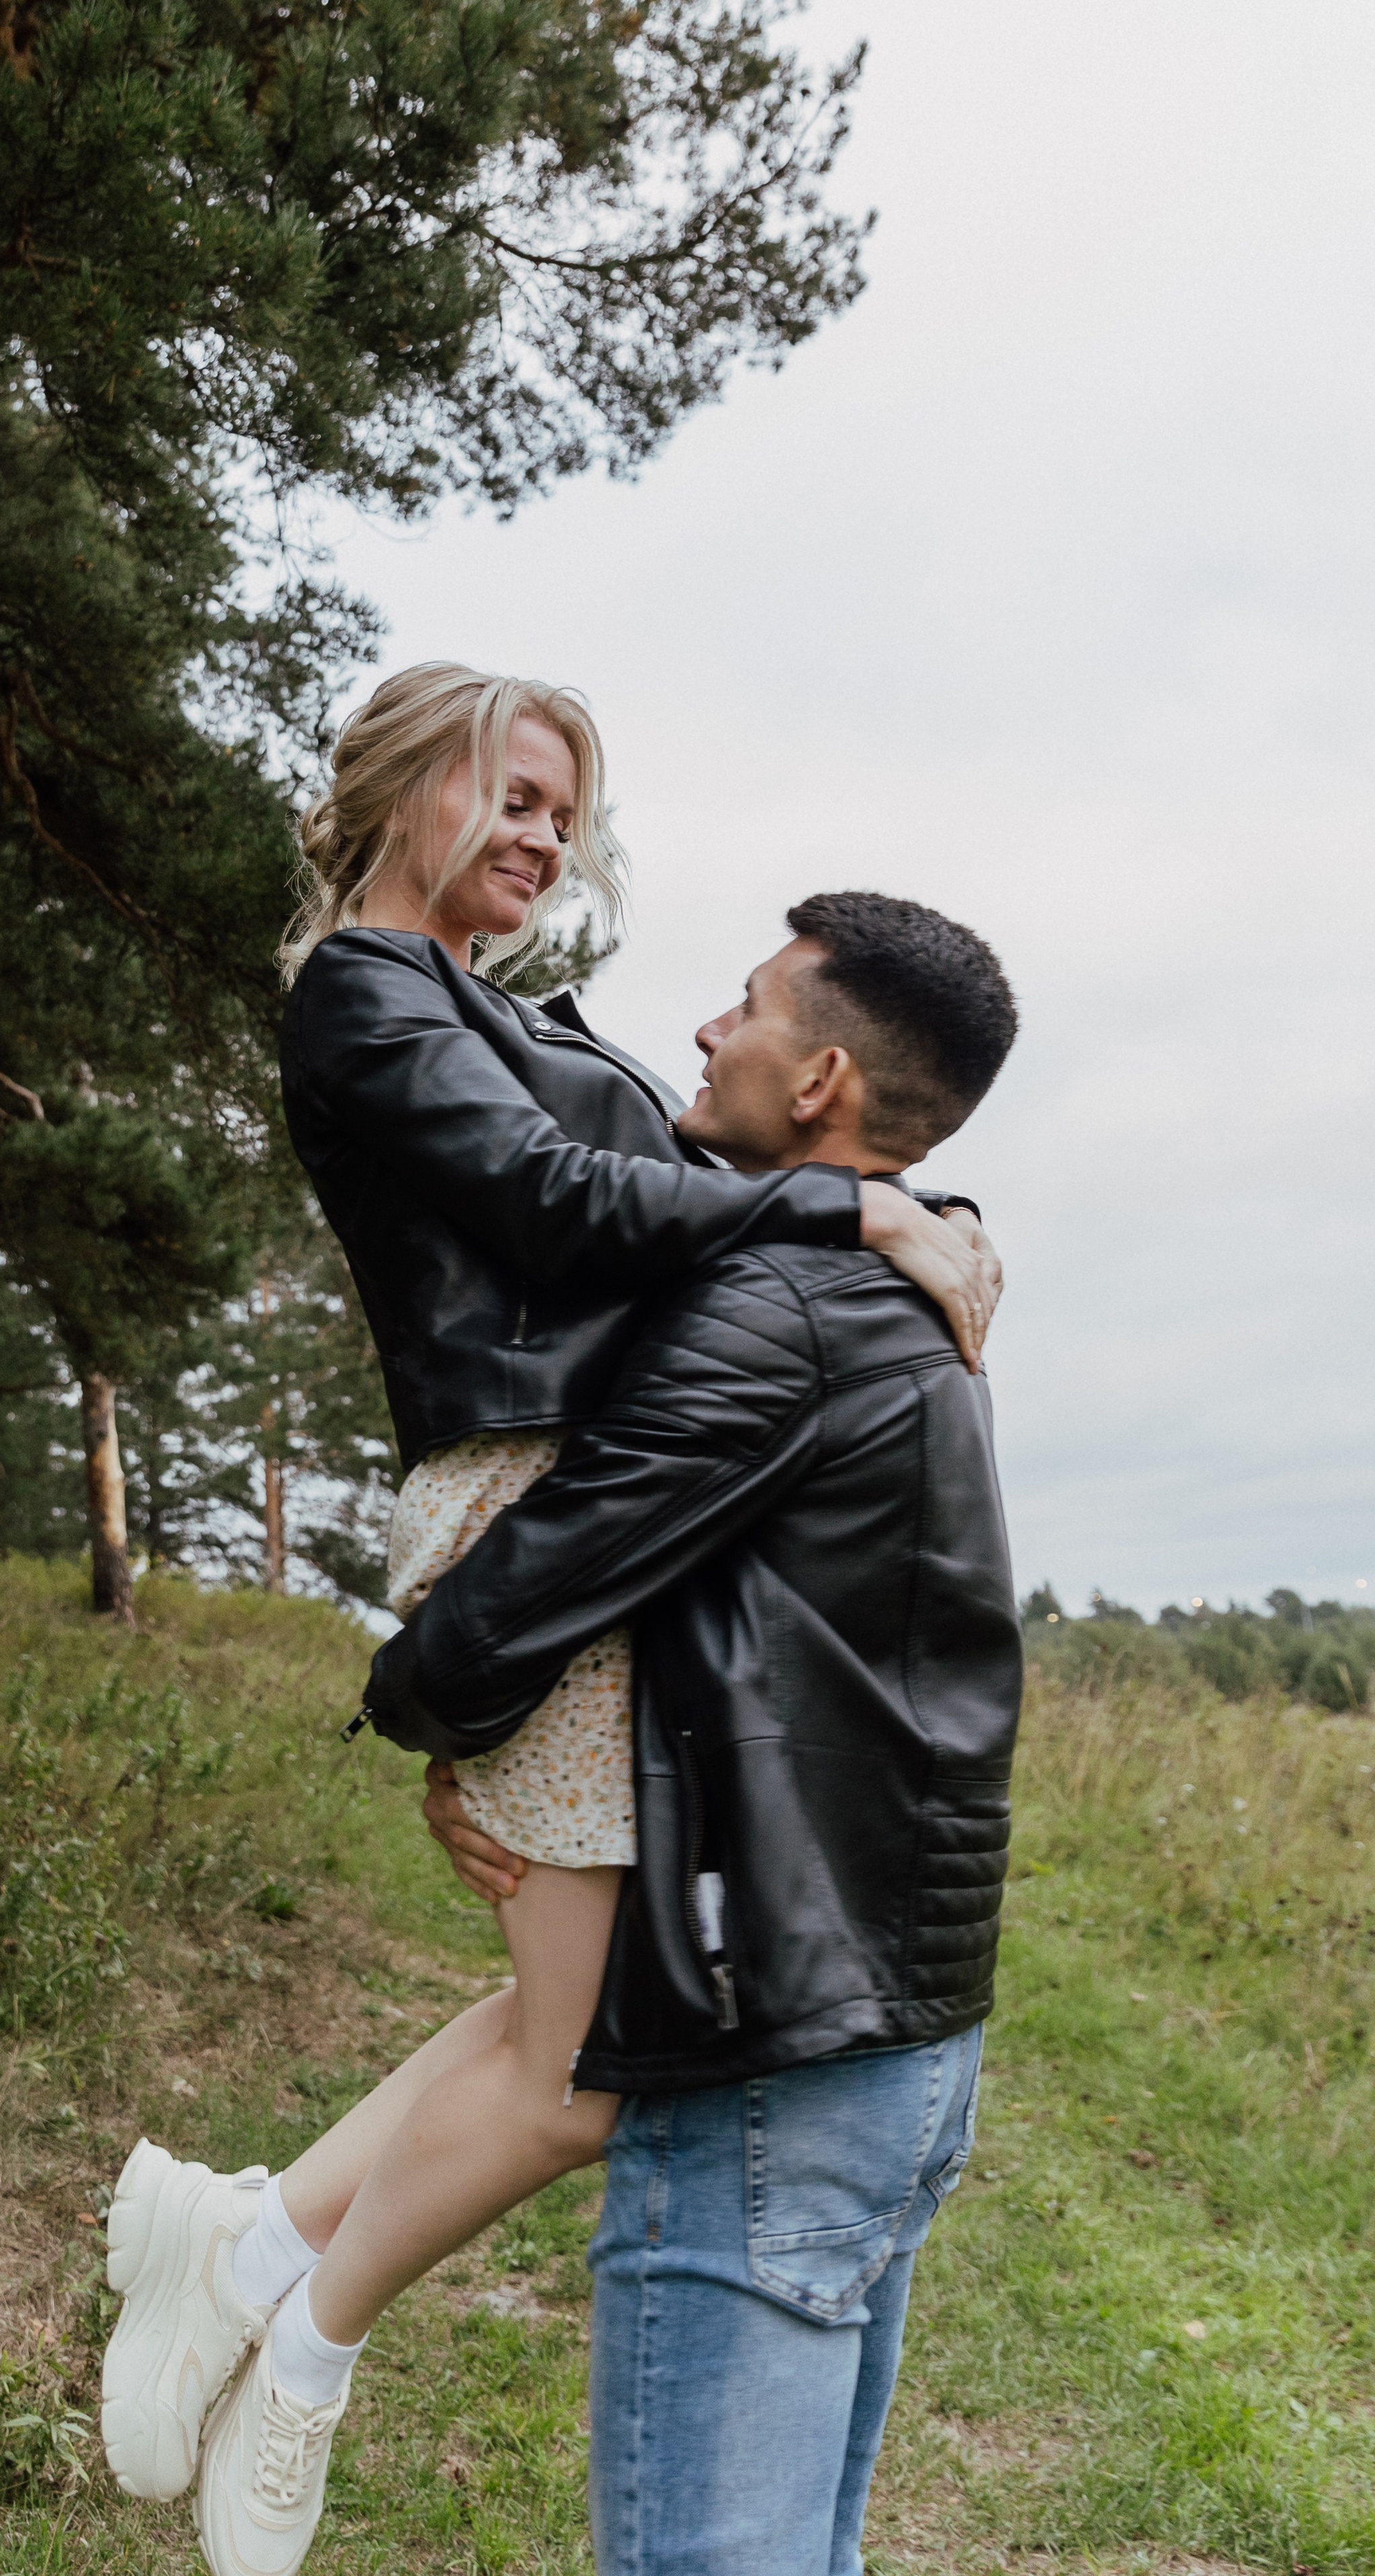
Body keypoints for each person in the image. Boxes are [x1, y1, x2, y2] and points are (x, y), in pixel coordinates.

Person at [97, 666, 1000, 2573]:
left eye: (561, 813)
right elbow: (555, 1199)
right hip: (523, 1489)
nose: (542, 837)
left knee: (565, 2011)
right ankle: (298, 2336)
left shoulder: (500, 1006)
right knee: (586, 2068)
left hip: (581, 1501)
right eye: (509, 795)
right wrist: (858, 1221)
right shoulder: (364, 989)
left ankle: (243, 2248)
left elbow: (710, 1180)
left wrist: (931, 1212)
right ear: (403, 787)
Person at [385, 891, 1025, 2574]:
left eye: (742, 1005)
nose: (701, 1030)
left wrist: (434, 1724)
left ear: (817, 1081)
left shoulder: (783, 1312)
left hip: (775, 2060)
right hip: (898, 2030)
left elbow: (531, 1583)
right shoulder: (901, 1290)